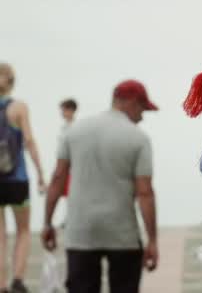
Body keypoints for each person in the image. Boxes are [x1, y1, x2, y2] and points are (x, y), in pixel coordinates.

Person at [42, 80, 159, 293]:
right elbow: (145, 192)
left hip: (80, 233)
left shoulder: (74, 132)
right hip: (123, 235)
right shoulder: (139, 139)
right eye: (142, 109)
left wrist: (47, 223)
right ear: (132, 102)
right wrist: (152, 240)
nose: (142, 117)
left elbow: (58, 179)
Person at [0, 63, 46, 293]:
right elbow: (29, 141)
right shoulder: (19, 108)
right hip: (17, 179)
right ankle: (18, 280)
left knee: (0, 235)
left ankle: (1, 284)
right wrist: (40, 173)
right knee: (23, 230)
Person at [59, 99, 77, 198]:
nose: (62, 113)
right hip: (64, 168)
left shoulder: (76, 127)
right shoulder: (64, 128)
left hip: (72, 168)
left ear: (71, 110)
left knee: (72, 196)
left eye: (64, 110)